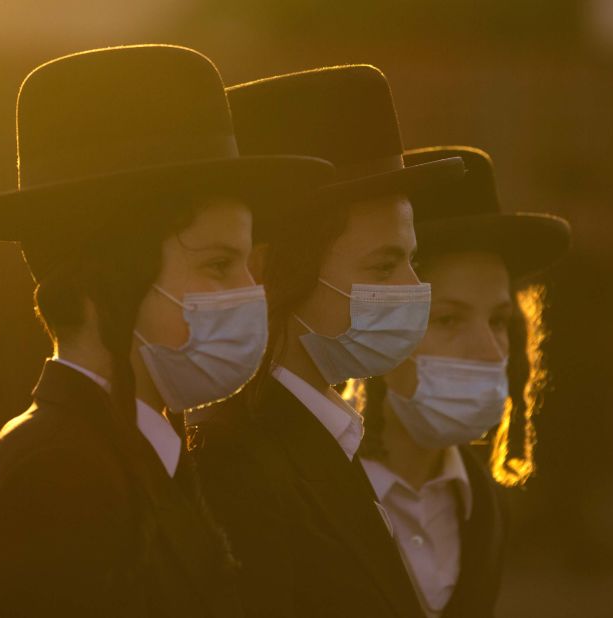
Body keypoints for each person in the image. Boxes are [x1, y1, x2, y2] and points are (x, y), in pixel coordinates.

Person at [0, 45, 333, 617]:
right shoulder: (58, 475)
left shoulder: (139, 450)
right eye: (218, 264)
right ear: (104, 282)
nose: (251, 292)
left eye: (247, 264)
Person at [189, 65, 464, 617]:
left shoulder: (335, 437)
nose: (414, 289)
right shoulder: (236, 466)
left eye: (412, 261)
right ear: (271, 272)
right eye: (383, 266)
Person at [357, 146, 570, 617]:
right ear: (381, 326)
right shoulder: (317, 488)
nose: (489, 351)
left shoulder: (482, 508)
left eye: (498, 321)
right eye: (449, 319)